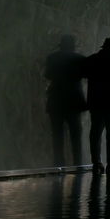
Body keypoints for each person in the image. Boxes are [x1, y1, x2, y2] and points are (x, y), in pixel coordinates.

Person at [83, 37, 110, 174]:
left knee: (95, 133)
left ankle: (97, 163)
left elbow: (83, 73)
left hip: (96, 101)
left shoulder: (92, 59)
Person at [44, 34, 87, 166]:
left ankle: (58, 163)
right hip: (74, 101)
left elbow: (47, 75)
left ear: (61, 45)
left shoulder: (52, 58)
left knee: (57, 134)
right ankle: (78, 163)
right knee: (76, 135)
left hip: (56, 100)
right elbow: (85, 74)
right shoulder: (80, 59)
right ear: (73, 45)